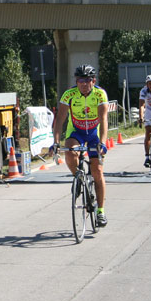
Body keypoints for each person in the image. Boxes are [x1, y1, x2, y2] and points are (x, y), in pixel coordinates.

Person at [51, 64, 109, 227]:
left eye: (87, 80)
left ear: (93, 81)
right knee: (69, 152)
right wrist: (55, 142)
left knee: (97, 170)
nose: (83, 84)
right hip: (76, 131)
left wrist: (103, 143)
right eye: (80, 80)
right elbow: (60, 120)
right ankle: (78, 178)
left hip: (93, 133)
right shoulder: (69, 95)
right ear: (76, 81)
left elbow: (103, 120)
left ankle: (101, 212)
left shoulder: (100, 94)